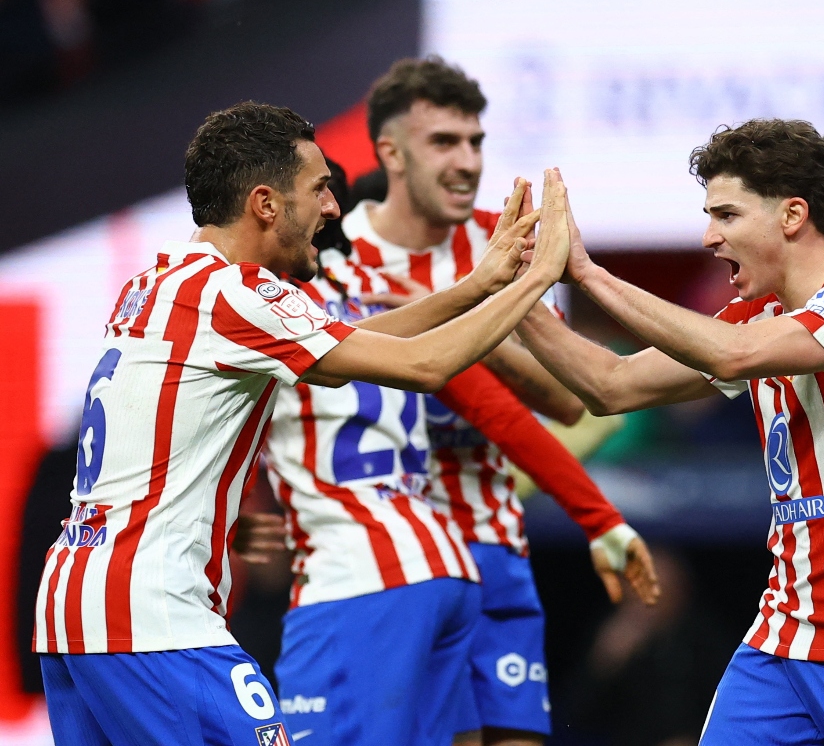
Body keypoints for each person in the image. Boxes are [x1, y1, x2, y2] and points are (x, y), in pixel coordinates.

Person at [31, 100, 571, 745]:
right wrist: (535, 278)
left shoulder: (165, 280)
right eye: (319, 189)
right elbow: (425, 367)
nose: (332, 208)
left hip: (71, 604)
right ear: (265, 203)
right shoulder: (238, 293)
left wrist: (477, 286)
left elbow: (346, 343)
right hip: (150, 614)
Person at [517, 120, 824, 746]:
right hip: (784, 631)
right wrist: (523, 287)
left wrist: (589, 274)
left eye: (726, 215)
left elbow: (733, 355)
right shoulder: (760, 317)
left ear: (791, 214)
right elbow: (609, 385)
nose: (708, 237)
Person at [264, 162, 657, 745]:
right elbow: (504, 416)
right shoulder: (379, 325)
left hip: (354, 579)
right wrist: (600, 521)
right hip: (445, 565)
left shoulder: (248, 316)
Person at [345, 56, 656, 745]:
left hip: (493, 542)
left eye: (475, 142)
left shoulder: (510, 239)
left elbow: (572, 401)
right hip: (383, 556)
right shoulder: (335, 253)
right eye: (443, 142)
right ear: (390, 152)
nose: (466, 162)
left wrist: (471, 312)